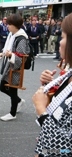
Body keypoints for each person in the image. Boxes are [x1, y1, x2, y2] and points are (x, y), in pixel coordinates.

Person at [33, 13, 72, 157]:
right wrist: (49, 85)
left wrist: (41, 110)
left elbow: (66, 146)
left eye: (63, 37)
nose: (60, 42)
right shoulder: (68, 73)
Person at [0, 14, 29, 121]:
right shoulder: (12, 35)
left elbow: (22, 56)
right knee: (3, 87)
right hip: (9, 65)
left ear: (15, 25)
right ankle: (18, 101)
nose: (7, 26)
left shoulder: (21, 38)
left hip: (15, 67)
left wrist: (10, 55)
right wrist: (2, 54)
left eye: (9, 24)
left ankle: (12, 113)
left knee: (12, 90)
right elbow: (8, 50)